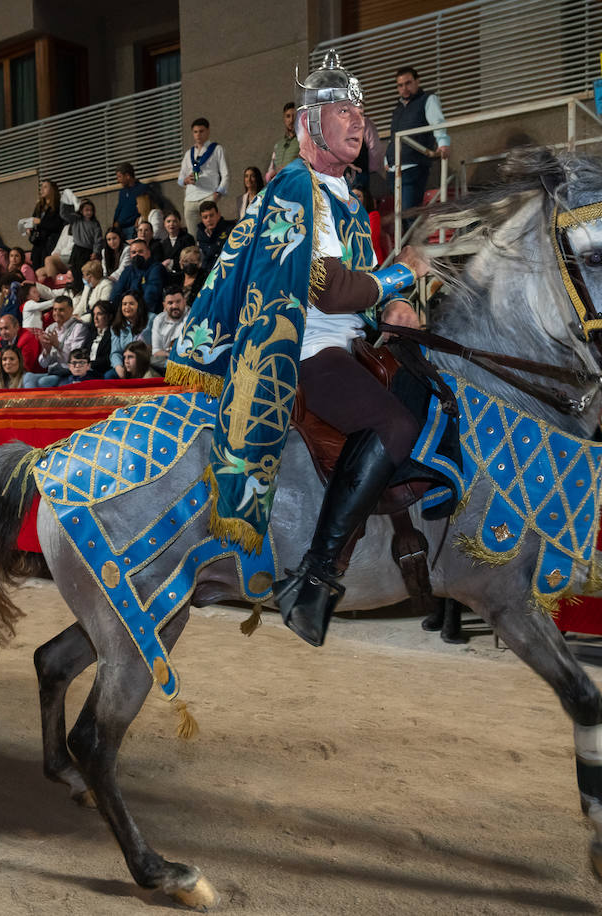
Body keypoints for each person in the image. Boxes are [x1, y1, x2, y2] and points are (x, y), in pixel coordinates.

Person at [165, 51, 426, 647]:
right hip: (307, 352)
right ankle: (316, 578)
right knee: (393, 423)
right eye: (342, 111)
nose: (358, 122)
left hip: (349, 341)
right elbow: (329, 289)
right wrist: (398, 278)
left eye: (361, 111)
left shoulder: (343, 197)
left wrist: (389, 305)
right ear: (310, 127)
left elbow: (356, 289)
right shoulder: (295, 185)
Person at [385, 66, 450, 214]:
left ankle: (418, 238)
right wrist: (386, 160)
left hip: (414, 165)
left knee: (409, 213)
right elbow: (393, 136)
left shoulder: (427, 99)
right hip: (394, 169)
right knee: (400, 218)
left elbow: (438, 123)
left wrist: (443, 144)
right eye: (400, 85)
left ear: (417, 82)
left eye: (408, 83)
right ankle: (412, 238)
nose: (404, 88)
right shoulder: (398, 108)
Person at [22, 295, 90, 387]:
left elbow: (75, 359)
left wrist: (57, 345)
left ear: (71, 310)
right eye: (55, 309)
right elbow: (43, 364)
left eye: (61, 310)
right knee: (28, 377)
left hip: (68, 372)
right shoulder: (50, 328)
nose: (57, 313)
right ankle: (29, 401)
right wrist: (47, 351)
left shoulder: (78, 328)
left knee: (43, 382)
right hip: (53, 371)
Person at [177, 117, 230, 234]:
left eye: (201, 131)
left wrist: (218, 192)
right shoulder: (188, 154)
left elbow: (225, 173)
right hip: (190, 198)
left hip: (208, 195)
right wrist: (185, 180)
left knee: (212, 231)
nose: (198, 135)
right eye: (195, 132)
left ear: (208, 131)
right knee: (193, 235)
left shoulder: (217, 149)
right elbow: (180, 178)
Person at [111, 237, 166, 314]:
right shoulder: (127, 270)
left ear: (148, 253)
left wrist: (138, 314)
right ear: (130, 255)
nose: (137, 255)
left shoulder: (156, 268)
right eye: (133, 252)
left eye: (140, 252)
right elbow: (116, 293)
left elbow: (151, 296)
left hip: (147, 313)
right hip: (127, 313)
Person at [26, 179, 67, 270]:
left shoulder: (59, 206)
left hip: (50, 245)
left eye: (45, 187)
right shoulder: (39, 206)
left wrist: (40, 222)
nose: (42, 190)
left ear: (52, 190)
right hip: (38, 245)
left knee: (47, 271)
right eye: (41, 187)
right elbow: (33, 221)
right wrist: (30, 230)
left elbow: (58, 226)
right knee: (37, 273)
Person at [146, 286, 188, 372]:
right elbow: (156, 351)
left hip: (186, 362)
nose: (175, 306)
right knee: (148, 361)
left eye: (178, 302)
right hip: (165, 362)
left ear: (184, 301)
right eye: (170, 303)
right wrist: (170, 355)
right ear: (164, 305)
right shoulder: (158, 319)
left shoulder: (192, 317)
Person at [107, 291, 149, 377]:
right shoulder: (116, 326)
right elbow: (115, 352)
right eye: (124, 304)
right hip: (126, 365)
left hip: (145, 364)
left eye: (131, 304)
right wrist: (119, 368)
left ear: (139, 305)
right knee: (109, 375)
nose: (127, 307)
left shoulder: (151, 320)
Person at [194, 201, 234, 275]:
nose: (208, 220)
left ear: (218, 214)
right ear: (202, 219)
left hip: (226, 269)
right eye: (205, 217)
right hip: (207, 271)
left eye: (211, 215)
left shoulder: (230, 229)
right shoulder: (200, 233)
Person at [264, 101, 300, 182]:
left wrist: (286, 170)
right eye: (288, 116)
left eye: (294, 116)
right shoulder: (278, 145)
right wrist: (270, 174)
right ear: (284, 119)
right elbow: (271, 169)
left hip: (294, 185)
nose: (291, 120)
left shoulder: (303, 142)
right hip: (278, 187)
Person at [111, 163, 149, 237]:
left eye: (120, 177)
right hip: (120, 230)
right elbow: (119, 208)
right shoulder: (122, 192)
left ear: (128, 176)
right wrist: (115, 222)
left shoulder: (143, 188)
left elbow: (147, 206)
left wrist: (141, 218)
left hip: (133, 229)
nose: (118, 180)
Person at [85, 301, 116, 378]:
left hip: (102, 370)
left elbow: (108, 358)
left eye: (99, 314)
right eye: (94, 314)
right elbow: (84, 351)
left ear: (110, 316)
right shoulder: (91, 333)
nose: (95, 318)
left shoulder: (113, 334)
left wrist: (90, 365)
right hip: (87, 369)